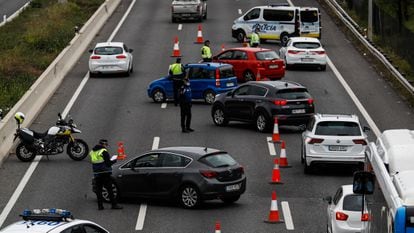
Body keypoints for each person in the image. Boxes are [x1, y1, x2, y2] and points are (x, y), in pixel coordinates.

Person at [90, 139, 122, 210]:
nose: (106, 146)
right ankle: (114, 205)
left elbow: (94, 162)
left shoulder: (92, 152)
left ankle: (100, 206)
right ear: (103, 144)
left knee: (99, 190)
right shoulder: (103, 151)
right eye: (106, 145)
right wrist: (114, 160)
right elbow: (108, 163)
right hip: (104, 173)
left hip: (96, 173)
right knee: (109, 189)